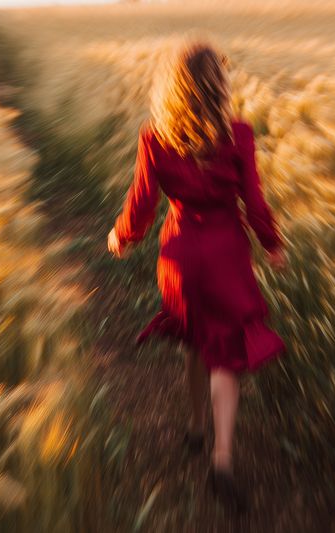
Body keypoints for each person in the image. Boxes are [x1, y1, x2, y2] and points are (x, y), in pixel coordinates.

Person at [107, 40, 286, 512]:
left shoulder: (155, 138)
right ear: (219, 89)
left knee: (194, 341)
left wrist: (122, 236)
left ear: (172, 90)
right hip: (226, 255)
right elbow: (255, 202)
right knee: (225, 354)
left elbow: (142, 205)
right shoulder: (239, 137)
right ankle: (222, 455)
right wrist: (271, 243)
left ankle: (194, 427)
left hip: (181, 257)